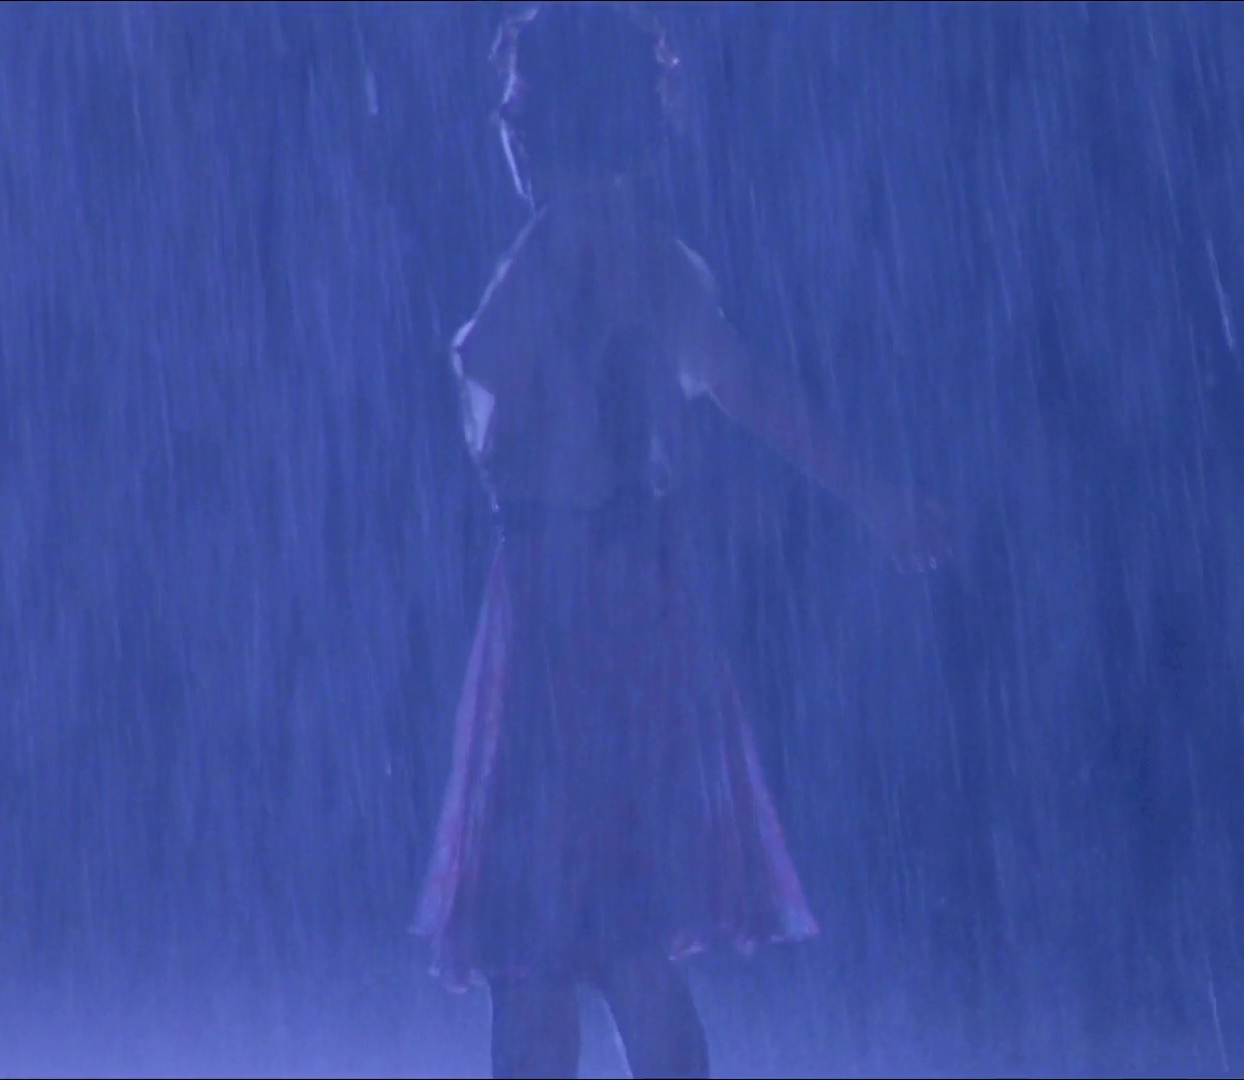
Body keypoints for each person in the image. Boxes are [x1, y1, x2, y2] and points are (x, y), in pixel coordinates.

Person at [410, 5, 953, 1077]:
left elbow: (515, 393)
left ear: (549, 123)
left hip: (568, 610)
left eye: (514, 112)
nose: (505, 135)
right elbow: (749, 393)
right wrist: (874, 497)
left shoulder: (566, 254)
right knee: (614, 934)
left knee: (554, 943)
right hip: (616, 605)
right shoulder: (645, 258)